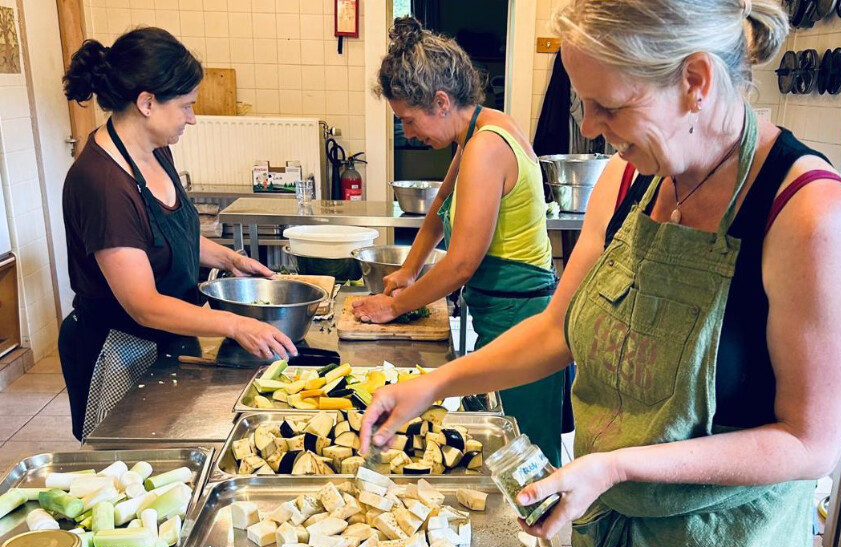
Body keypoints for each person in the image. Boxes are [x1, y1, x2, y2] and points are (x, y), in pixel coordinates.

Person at [361, 1, 841, 547]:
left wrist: (618, 465)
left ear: (695, 81)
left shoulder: (806, 211)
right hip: (608, 539)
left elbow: (810, 443)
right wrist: (433, 385)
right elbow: (557, 330)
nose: (591, 126)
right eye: (584, 104)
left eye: (609, 106)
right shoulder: (628, 180)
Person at [60, 28, 297, 441]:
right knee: (130, 465)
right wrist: (234, 324)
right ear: (147, 103)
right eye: (186, 106)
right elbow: (144, 304)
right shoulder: (102, 184)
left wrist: (230, 259)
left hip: (169, 338)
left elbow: (167, 235)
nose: (192, 118)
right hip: (119, 353)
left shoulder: (156, 150)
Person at [352, 17, 566, 465]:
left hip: (520, 322)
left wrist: (395, 306)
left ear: (441, 101)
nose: (409, 133)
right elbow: (439, 208)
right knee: (499, 448)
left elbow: (462, 263)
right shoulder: (479, 132)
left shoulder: (486, 147)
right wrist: (409, 269)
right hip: (503, 315)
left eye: (409, 120)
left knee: (526, 458)